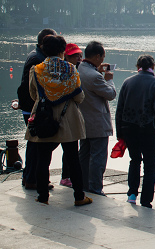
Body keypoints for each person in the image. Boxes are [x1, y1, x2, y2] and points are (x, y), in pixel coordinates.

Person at [26, 34, 92, 206]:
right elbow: (79, 97)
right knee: (72, 159)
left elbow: (34, 94)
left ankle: (42, 196)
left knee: (43, 159)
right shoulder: (71, 69)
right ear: (63, 50)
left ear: (44, 49)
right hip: (68, 119)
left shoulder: (37, 69)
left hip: (43, 118)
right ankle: (79, 196)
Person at [116, 54, 155, 208]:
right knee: (150, 166)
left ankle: (132, 194)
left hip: (129, 127)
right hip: (149, 128)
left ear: (137, 66)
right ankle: (146, 200)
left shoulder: (127, 82)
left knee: (135, 160)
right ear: (153, 66)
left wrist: (120, 133)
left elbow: (119, 109)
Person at [17, 28, 56, 190]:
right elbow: (32, 88)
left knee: (35, 144)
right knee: (37, 144)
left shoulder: (37, 55)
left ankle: (29, 177)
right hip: (32, 107)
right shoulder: (37, 59)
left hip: (30, 105)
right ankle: (33, 178)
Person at [77, 41, 116, 196]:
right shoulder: (94, 77)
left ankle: (83, 184)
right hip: (98, 123)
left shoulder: (79, 69)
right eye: (102, 57)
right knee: (98, 158)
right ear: (98, 56)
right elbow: (111, 94)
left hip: (83, 120)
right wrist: (109, 79)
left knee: (84, 155)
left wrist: (98, 72)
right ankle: (95, 188)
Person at [57, 43, 83, 188]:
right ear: (66, 55)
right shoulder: (69, 71)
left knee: (68, 148)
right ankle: (67, 178)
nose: (78, 58)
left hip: (66, 114)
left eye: (79, 55)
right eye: (75, 56)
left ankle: (66, 176)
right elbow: (79, 96)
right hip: (67, 115)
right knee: (70, 148)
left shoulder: (74, 69)